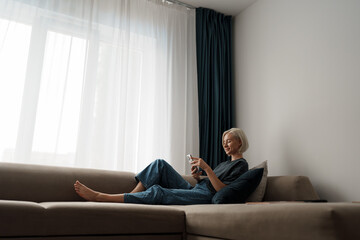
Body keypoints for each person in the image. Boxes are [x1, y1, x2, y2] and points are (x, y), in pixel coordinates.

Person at [74, 128, 249, 205]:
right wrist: (198, 176)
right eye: (224, 142)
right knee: (160, 164)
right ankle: (132, 197)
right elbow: (211, 181)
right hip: (198, 189)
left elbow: (223, 190)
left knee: (158, 191)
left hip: (206, 196)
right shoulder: (226, 163)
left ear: (239, 142)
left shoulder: (242, 165)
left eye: (229, 141)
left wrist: (208, 169)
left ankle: (101, 197)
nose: (225, 145)